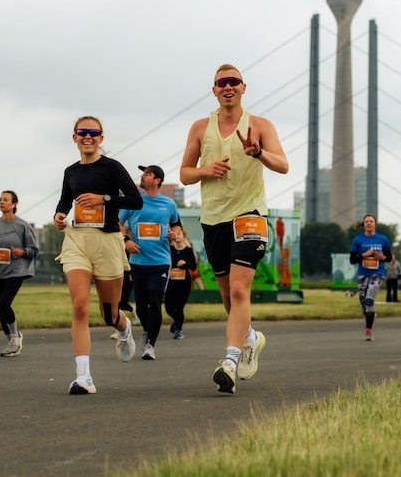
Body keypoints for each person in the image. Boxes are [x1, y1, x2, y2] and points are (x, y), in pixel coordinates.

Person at [180, 64, 289, 394]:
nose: (228, 87)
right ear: (214, 90)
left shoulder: (260, 125)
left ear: (244, 87)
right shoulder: (200, 128)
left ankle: (229, 361)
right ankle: (250, 337)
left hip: (250, 215)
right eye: (221, 83)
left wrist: (259, 153)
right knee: (228, 297)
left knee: (240, 291)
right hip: (214, 220)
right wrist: (205, 170)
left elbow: (283, 165)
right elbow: (185, 173)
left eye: (234, 82)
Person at [53, 116, 144, 395]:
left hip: (107, 242)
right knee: (80, 307)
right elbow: (65, 201)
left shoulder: (112, 167)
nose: (88, 136)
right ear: (74, 137)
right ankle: (83, 376)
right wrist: (59, 216)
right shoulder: (70, 171)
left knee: (109, 314)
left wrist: (103, 199)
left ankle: (124, 328)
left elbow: (135, 200)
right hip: (77, 240)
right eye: (82, 132)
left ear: (101, 138)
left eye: (93, 132)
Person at [119, 164, 183, 361]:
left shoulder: (169, 204)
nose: (142, 176)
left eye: (147, 173)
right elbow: (118, 223)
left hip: (161, 261)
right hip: (138, 261)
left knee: (154, 301)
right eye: (143, 173)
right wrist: (126, 241)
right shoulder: (133, 201)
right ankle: (147, 331)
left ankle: (150, 345)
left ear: (157, 180)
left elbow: (177, 226)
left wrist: (175, 235)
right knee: (141, 304)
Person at [0, 190, 39, 357]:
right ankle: (12, 341)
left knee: (4, 304)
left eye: (5, 200)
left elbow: (34, 250)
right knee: (0, 309)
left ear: (14, 204)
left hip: (16, 271)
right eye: (0, 199)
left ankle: (15, 338)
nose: (2, 202)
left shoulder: (22, 225)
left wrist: (23, 252)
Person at [349, 214, 389, 341]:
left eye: (371, 221)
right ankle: (370, 314)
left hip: (378, 273)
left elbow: (389, 257)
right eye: (366, 221)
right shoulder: (358, 240)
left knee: (369, 298)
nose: (369, 223)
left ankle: (368, 330)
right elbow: (352, 260)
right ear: (364, 224)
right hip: (363, 273)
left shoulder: (383, 239)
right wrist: (364, 255)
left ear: (375, 224)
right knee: (363, 301)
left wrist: (382, 257)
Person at [164, 225, 203, 340]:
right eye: (175, 234)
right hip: (171, 283)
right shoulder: (169, 250)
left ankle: (179, 330)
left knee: (179, 307)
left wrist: (185, 264)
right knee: (168, 307)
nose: (177, 236)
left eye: (179, 234)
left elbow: (193, 266)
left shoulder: (188, 251)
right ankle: (176, 320)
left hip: (184, 284)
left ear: (184, 236)